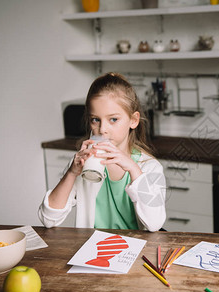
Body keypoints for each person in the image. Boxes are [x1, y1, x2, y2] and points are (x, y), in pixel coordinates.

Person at [38, 72, 166, 231]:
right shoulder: (84, 163)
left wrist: (134, 170)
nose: (103, 129)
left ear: (133, 120)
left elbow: (154, 224)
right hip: (93, 248)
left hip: (134, 250)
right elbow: (48, 219)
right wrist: (71, 173)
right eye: (95, 120)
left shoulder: (149, 167)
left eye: (113, 119)